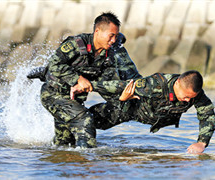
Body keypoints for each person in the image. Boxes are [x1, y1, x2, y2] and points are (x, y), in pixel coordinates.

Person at [34, 12, 141, 148]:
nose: (113, 40)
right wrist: (77, 79)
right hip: (54, 95)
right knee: (84, 120)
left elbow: (130, 76)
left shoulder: (112, 51)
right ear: (97, 31)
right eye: (111, 36)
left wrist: (130, 95)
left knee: (65, 144)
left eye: (116, 36)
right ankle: (86, 161)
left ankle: (58, 164)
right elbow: (54, 65)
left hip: (75, 100)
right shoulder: (77, 44)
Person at [72, 70, 215, 153]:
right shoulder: (154, 84)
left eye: (190, 98)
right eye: (185, 96)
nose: (187, 101)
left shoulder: (195, 95)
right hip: (130, 108)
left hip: (152, 118)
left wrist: (202, 143)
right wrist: (88, 86)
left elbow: (208, 115)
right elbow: (118, 86)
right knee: (90, 120)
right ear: (177, 83)